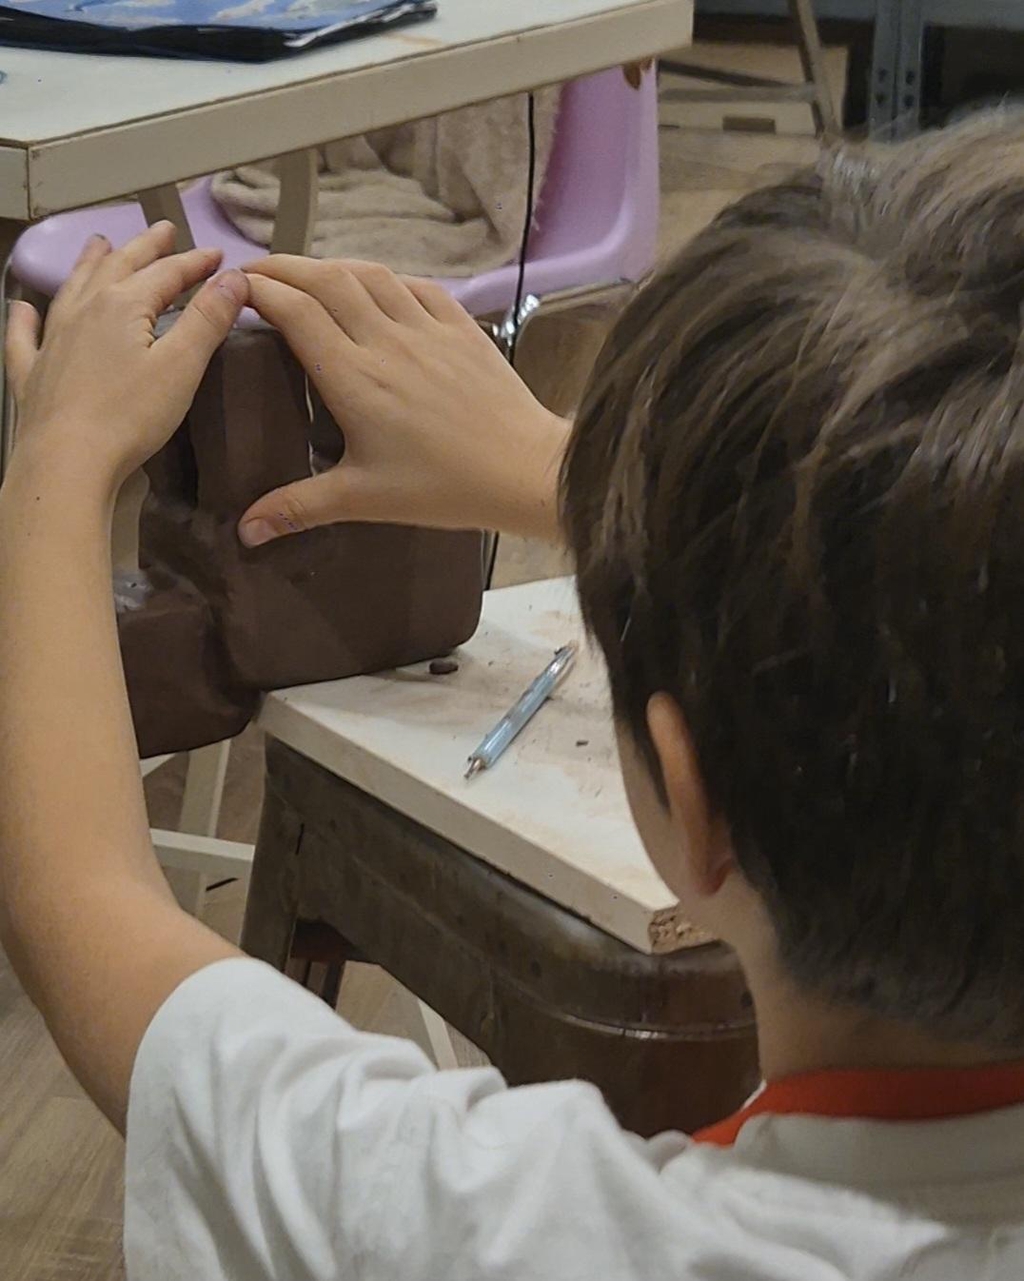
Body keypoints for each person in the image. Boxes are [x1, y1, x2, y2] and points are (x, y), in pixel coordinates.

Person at [3, 111, 1024, 1281]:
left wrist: (58, 460)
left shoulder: (515, 1232)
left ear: (695, 806)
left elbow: (81, 909)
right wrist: (555, 465)